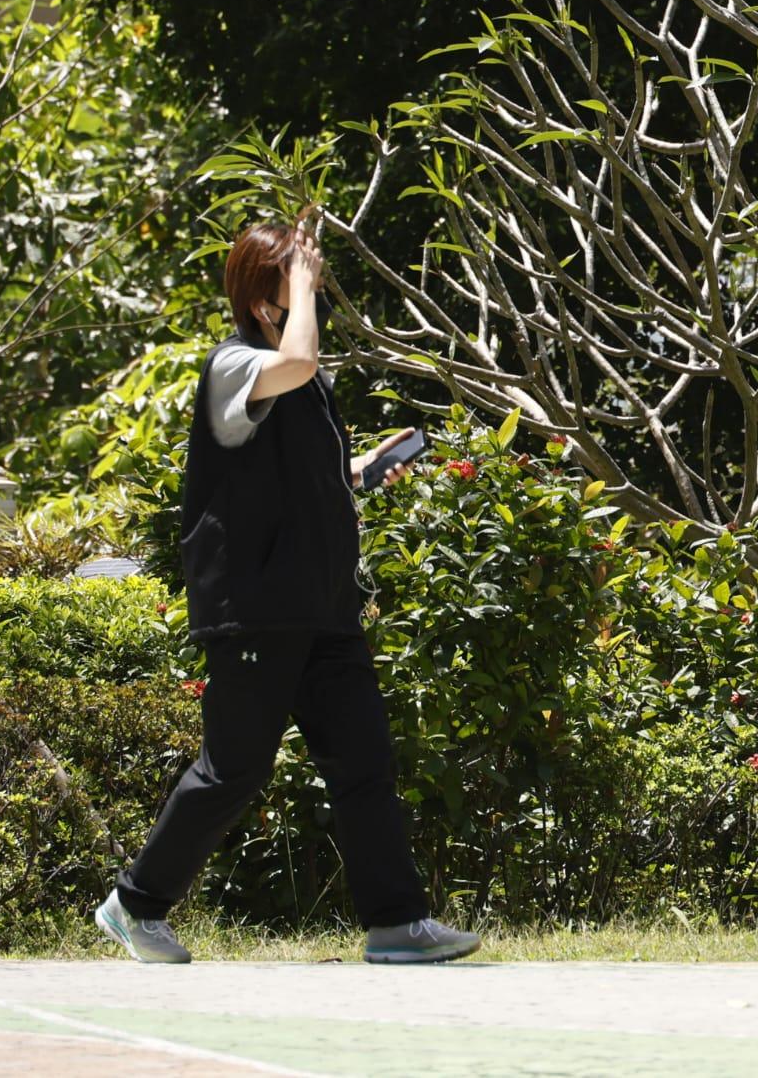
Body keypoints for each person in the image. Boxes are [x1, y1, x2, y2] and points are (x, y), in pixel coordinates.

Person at [95, 219, 479, 965]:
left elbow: (302, 482)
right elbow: (298, 360)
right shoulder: (235, 365)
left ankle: (396, 923)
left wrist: (362, 468)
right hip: (259, 613)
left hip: (323, 608)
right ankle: (135, 903)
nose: (315, 294)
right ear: (263, 297)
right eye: (299, 282)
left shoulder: (303, 386)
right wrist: (299, 279)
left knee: (365, 760)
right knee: (234, 768)